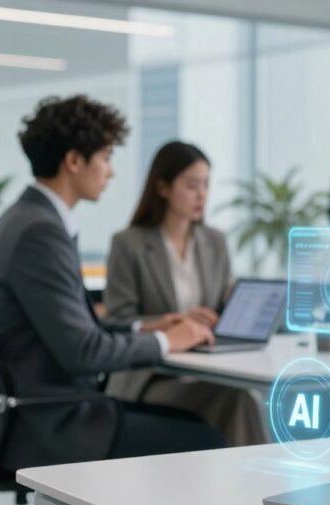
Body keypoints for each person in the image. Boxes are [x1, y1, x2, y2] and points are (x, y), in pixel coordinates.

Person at [0, 95, 223, 505]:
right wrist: (169, 344)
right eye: (106, 158)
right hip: (45, 418)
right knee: (202, 442)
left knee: (193, 427)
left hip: (40, 406)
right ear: (74, 161)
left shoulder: (28, 220)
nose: (112, 172)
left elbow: (77, 328)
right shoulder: (39, 232)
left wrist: (149, 327)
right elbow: (83, 351)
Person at [105, 141, 265, 446]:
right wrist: (178, 323)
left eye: (206, 184)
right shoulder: (129, 243)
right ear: (163, 187)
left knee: (243, 398)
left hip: (207, 371)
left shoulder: (214, 241)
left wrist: (231, 310)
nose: (202, 194)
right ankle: (258, 490)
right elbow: (118, 320)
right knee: (238, 401)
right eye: (192, 185)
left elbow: (219, 306)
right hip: (151, 377)